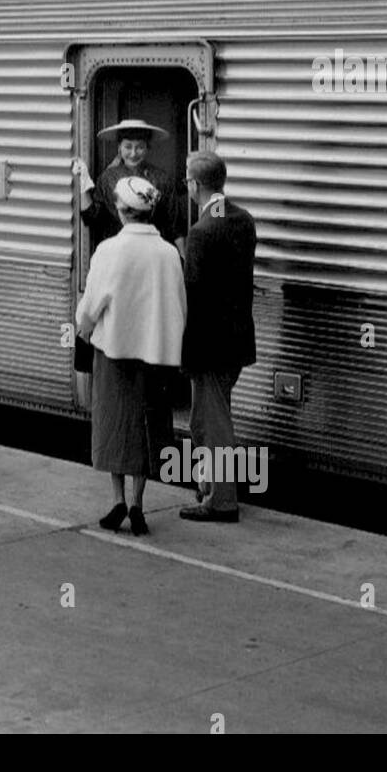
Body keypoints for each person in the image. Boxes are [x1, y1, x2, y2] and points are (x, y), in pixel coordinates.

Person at [76, 176, 186, 535]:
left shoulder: (109, 250)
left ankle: (117, 500)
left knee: (114, 426)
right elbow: (179, 307)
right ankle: (139, 504)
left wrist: (84, 325)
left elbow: (93, 304)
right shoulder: (169, 253)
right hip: (154, 357)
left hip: (114, 354)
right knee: (146, 427)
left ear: (123, 211)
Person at [179, 151, 256, 523]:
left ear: (195, 184)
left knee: (214, 425)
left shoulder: (201, 232)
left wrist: (186, 354)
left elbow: (193, 295)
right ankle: (209, 484)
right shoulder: (242, 220)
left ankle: (222, 501)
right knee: (208, 418)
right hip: (237, 340)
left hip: (210, 346)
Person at [80, 119, 184, 255]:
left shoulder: (162, 178)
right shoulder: (107, 178)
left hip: (153, 252)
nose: (133, 153)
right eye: (128, 147)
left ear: (147, 148)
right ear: (119, 148)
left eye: (140, 147)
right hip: (118, 252)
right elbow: (92, 217)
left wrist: (183, 257)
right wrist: (83, 182)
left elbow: (175, 225)